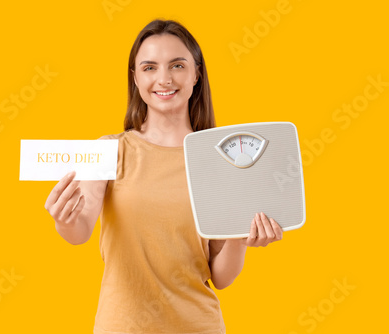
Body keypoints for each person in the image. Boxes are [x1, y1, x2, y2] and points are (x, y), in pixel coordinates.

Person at [44, 19, 283, 334]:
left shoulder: (218, 158)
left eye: (177, 65)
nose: (164, 79)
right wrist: (64, 217)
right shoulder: (108, 150)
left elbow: (221, 277)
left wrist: (240, 238)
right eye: (149, 68)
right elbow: (79, 231)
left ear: (196, 73)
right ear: (135, 78)